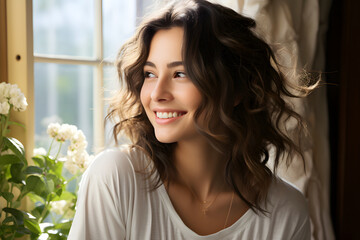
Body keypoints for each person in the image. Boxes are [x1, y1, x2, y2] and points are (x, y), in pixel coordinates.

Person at [68, 0, 312, 239]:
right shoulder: (117, 178)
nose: (156, 94)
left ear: (237, 88)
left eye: (180, 73)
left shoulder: (286, 210)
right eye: (150, 74)